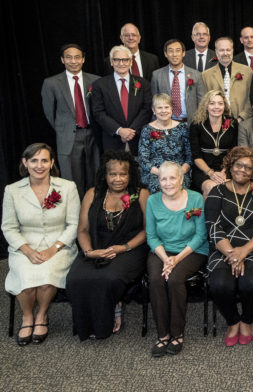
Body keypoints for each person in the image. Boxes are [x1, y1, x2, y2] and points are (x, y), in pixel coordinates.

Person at [66, 150, 149, 340]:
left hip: (130, 248)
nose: (117, 179)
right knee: (75, 279)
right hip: (96, 247)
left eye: (123, 174)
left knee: (108, 277)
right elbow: (83, 230)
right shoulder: (92, 194)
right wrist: (89, 252)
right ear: (105, 175)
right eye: (113, 174)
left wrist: (124, 247)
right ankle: (86, 325)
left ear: (131, 175)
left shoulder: (141, 194)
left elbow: (147, 230)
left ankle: (114, 309)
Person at [2, 143, 80, 346]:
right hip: (24, 247)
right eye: (34, 160)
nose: (39, 165)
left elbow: (74, 224)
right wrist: (27, 251)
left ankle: (42, 315)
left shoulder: (67, 187)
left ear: (52, 162)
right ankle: (27, 317)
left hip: (60, 246)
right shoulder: (12, 191)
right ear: (24, 162)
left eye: (44, 160)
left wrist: (54, 248)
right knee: (26, 278)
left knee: (46, 277)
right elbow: (8, 227)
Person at [205, 146, 253, 346]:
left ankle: (247, 320)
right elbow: (212, 226)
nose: (243, 170)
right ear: (230, 165)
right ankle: (232, 320)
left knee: (252, 283)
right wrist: (232, 253)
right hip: (224, 248)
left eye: (248, 167)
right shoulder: (217, 191)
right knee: (219, 284)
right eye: (239, 165)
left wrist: (244, 251)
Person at [146, 161, 208, 357]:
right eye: (163, 178)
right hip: (162, 251)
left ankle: (177, 332)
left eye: (173, 177)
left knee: (174, 279)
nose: (168, 182)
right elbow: (151, 236)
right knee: (156, 279)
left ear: (182, 179)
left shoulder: (196, 198)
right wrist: (166, 259)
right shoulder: (152, 201)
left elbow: (200, 236)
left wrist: (176, 259)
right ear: (158, 181)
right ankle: (162, 334)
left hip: (192, 250)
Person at [41, 43, 100, 198]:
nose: (73, 61)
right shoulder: (52, 83)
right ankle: (76, 218)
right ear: (62, 60)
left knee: (95, 177)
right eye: (69, 57)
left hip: (93, 135)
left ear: (83, 60)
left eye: (77, 57)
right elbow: (49, 113)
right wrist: (64, 129)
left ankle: (93, 215)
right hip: (69, 137)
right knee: (72, 181)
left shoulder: (95, 81)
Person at [92, 45, 153, 154]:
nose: (121, 63)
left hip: (137, 139)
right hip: (112, 140)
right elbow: (98, 112)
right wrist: (119, 130)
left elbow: (147, 109)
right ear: (111, 62)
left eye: (125, 60)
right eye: (117, 60)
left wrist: (131, 131)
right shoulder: (99, 85)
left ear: (130, 62)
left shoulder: (143, 83)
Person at [137, 93, 192, 193]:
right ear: (154, 110)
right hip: (155, 173)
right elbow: (143, 158)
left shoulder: (182, 128)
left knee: (180, 187)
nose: (163, 111)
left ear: (171, 109)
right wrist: (161, 173)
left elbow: (189, 155)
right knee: (159, 187)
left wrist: (180, 172)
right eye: (159, 108)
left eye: (166, 107)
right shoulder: (147, 130)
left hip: (179, 172)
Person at [188, 90, 238, 197]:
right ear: (206, 105)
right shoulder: (196, 124)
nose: (216, 107)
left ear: (224, 106)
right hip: (203, 169)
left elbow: (234, 151)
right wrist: (210, 173)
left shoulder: (232, 123)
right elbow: (196, 156)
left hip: (227, 167)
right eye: (212, 103)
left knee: (229, 187)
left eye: (220, 103)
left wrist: (224, 171)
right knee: (211, 188)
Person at [151, 39, 207, 125]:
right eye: (170, 51)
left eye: (178, 51)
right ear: (165, 54)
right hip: (166, 124)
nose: (174, 54)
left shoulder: (196, 75)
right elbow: (154, 103)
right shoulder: (157, 75)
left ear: (183, 53)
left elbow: (202, 101)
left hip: (190, 123)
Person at [201, 37, 253, 123]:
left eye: (228, 50)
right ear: (216, 52)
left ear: (232, 50)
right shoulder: (206, 75)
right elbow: (205, 102)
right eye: (221, 50)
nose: (225, 53)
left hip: (243, 122)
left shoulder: (247, 71)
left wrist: (241, 118)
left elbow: (251, 98)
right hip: (216, 123)